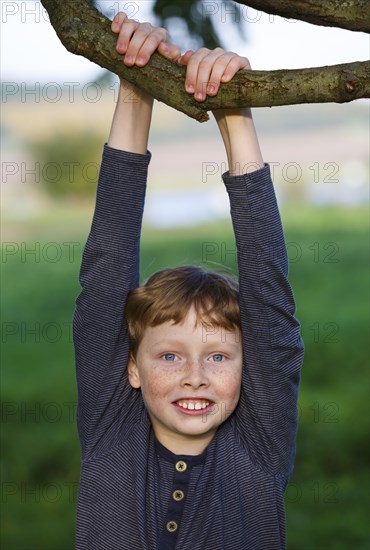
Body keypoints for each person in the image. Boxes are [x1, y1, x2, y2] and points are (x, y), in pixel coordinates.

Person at [73, 11, 304, 550]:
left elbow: (269, 298)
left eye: (219, 356)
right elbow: (106, 267)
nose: (195, 376)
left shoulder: (258, 449)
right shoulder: (111, 432)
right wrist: (136, 80)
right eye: (169, 355)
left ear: (251, 370)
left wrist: (235, 110)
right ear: (131, 368)